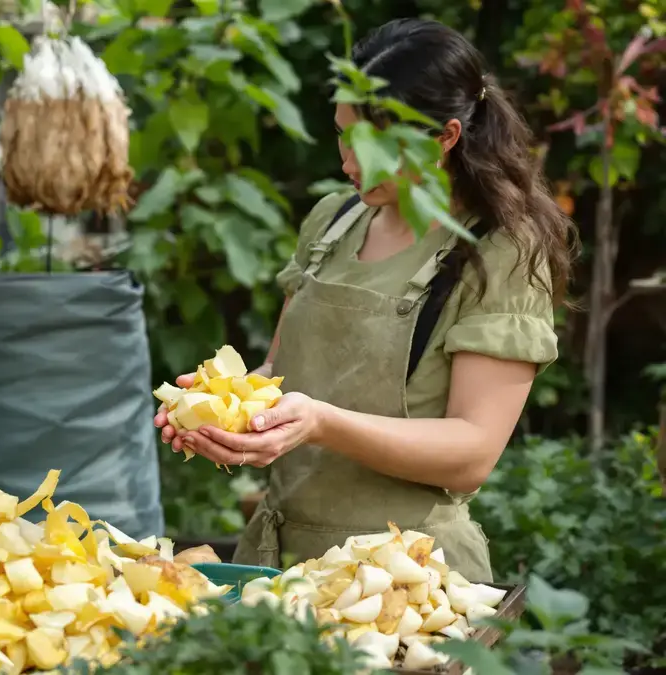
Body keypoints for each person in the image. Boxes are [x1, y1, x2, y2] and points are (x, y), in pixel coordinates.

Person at [154, 18, 575, 581]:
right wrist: (223, 412)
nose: (350, 163)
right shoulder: (334, 220)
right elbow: (281, 373)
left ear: (446, 137)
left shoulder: (499, 250)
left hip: (406, 575)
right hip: (279, 562)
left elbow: (472, 453)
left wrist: (320, 423)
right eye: (342, 134)